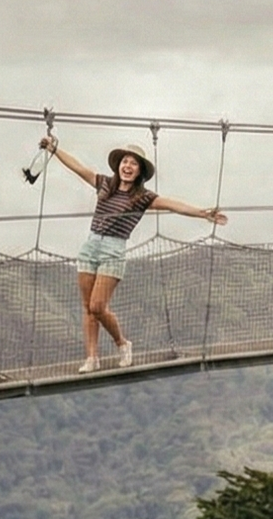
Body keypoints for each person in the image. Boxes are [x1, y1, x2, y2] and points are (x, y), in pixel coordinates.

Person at [36, 135, 227, 373]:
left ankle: (122, 343)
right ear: (119, 165)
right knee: (87, 307)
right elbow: (78, 168)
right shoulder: (104, 184)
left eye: (133, 164)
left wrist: (202, 213)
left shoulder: (142, 198)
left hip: (114, 249)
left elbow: (172, 204)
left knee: (97, 305)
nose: (127, 166)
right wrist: (55, 150)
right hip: (90, 245)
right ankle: (92, 358)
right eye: (125, 161)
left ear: (139, 172)